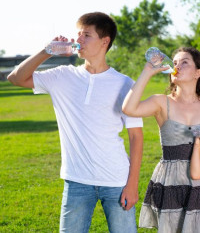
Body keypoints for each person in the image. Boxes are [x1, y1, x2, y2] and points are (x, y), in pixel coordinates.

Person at [7, 12, 143, 232]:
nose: (78, 39)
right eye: (78, 34)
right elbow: (16, 78)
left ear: (105, 41)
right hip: (76, 181)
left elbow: (136, 137)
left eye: (86, 35)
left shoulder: (126, 84)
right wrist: (47, 51)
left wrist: (132, 185)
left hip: (117, 180)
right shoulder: (62, 76)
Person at [122, 47, 200, 233]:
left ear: (198, 73)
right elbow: (129, 108)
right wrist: (147, 71)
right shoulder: (161, 102)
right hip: (169, 180)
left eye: (184, 62)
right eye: (175, 62)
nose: (177, 66)